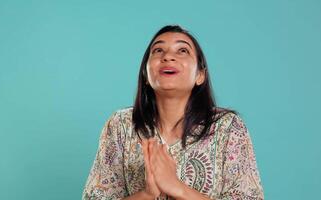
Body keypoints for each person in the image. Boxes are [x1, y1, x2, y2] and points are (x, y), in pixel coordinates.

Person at [82, 25, 264, 200]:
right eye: (158, 50)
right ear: (145, 75)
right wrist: (146, 194)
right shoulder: (120, 125)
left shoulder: (228, 127)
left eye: (182, 51)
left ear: (200, 75)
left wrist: (177, 188)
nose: (168, 56)